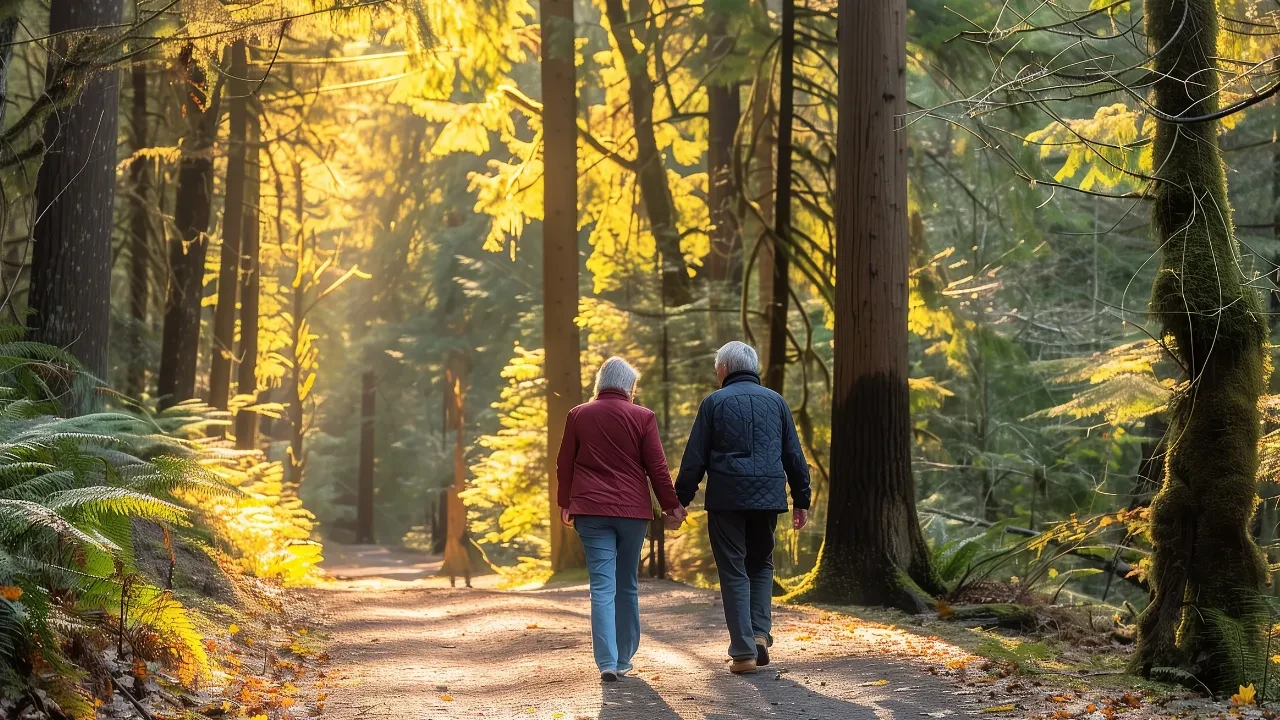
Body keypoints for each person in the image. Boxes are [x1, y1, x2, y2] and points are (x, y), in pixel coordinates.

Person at [673, 341, 811, 674]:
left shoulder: (714, 403)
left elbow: (695, 459)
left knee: (733, 568)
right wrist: (801, 498)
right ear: (752, 367)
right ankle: (760, 633)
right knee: (761, 564)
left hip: (727, 497)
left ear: (723, 369)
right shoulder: (776, 401)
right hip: (767, 496)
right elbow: (794, 454)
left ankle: (744, 652)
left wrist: (679, 501)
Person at [557, 356, 687, 682]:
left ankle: (607, 662)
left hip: (589, 510)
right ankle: (624, 658)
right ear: (630, 387)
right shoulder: (643, 417)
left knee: (602, 586)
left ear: (600, 383)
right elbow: (656, 468)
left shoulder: (578, 414)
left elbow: (565, 463)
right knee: (626, 583)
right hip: (632, 512)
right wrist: (672, 506)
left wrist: (565, 502)